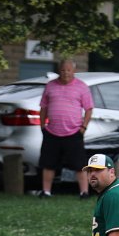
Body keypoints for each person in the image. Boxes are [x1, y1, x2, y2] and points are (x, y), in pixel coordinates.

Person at [38, 59, 93, 199]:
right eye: (63, 70)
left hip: (74, 132)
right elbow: (43, 107)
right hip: (52, 132)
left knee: (79, 164)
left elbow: (89, 109)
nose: (65, 73)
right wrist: (42, 126)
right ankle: (46, 192)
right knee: (48, 164)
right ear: (59, 71)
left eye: (68, 70)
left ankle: (84, 192)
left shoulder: (82, 87)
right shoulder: (50, 86)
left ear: (74, 71)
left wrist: (83, 127)